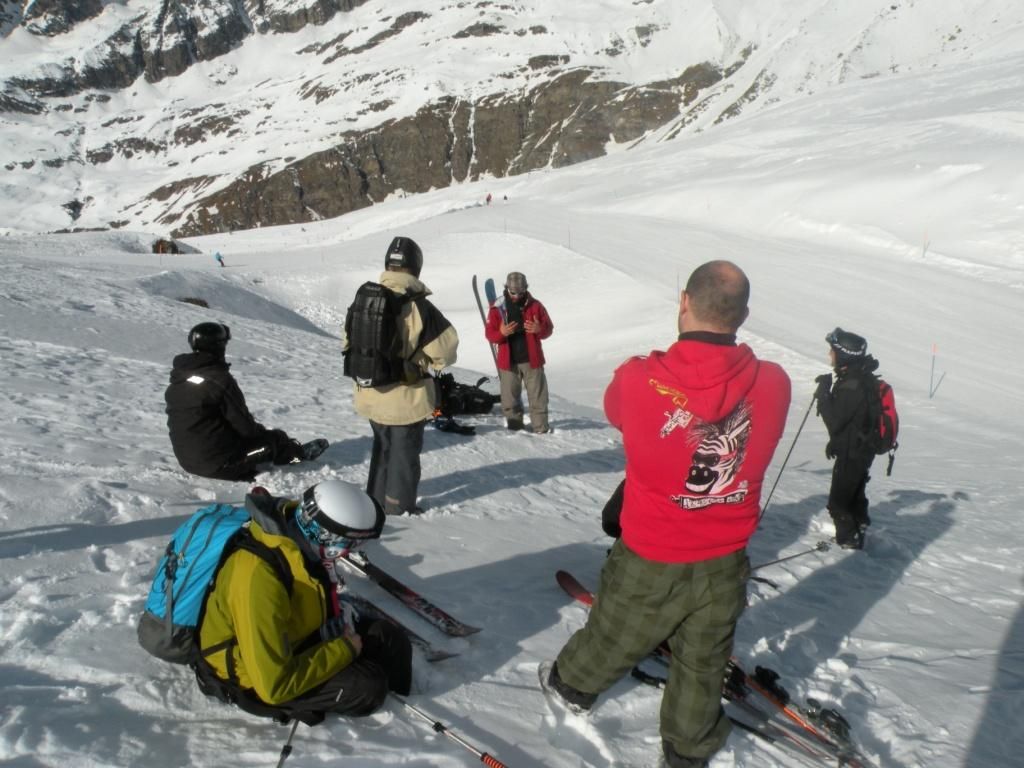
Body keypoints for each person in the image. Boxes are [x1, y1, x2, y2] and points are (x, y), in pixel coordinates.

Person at [540, 261, 791, 768]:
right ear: (743, 315)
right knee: (704, 660)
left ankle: (573, 686)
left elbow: (616, 409)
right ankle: (689, 746)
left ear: (683, 301)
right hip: (725, 558)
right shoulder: (775, 383)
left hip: (651, 552)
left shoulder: (638, 378)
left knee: (616, 631)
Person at [192, 479, 412, 723]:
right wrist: (345, 649)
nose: (352, 551)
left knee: (391, 640)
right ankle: (389, 730)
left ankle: (413, 705)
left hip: (293, 637)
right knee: (368, 687)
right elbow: (273, 686)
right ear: (325, 536)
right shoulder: (259, 580)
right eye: (352, 543)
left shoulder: (301, 540)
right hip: (252, 676)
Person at [345, 236, 459, 516]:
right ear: (416, 267)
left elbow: (347, 342)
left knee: (381, 447)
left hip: (370, 393)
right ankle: (398, 509)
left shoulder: (364, 299)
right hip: (407, 398)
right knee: (404, 455)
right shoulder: (420, 306)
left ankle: (375, 501)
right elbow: (445, 353)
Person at [165, 322, 325, 482]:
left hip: (188, 461)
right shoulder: (219, 380)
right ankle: (297, 456)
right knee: (273, 442)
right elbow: (246, 428)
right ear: (218, 346)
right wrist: (271, 437)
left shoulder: (178, 381)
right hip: (220, 464)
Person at [814, 327, 880, 550]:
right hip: (860, 448)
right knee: (854, 494)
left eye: (832, 351)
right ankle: (860, 528)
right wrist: (837, 441)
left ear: (843, 355)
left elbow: (835, 420)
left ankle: (848, 541)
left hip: (854, 452)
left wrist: (824, 393)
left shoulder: (852, 385)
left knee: (838, 503)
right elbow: (850, 420)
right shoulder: (860, 377)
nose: (829, 355)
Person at [484, 271, 554, 433]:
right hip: (508, 363)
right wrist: (501, 333)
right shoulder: (497, 307)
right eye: (513, 292)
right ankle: (516, 433)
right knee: (509, 402)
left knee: (538, 399)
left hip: (532, 360)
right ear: (507, 288)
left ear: (526, 289)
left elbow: (549, 329)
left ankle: (541, 430)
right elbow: (490, 334)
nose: (516, 296)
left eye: (520, 292)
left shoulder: (536, 306)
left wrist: (539, 329)